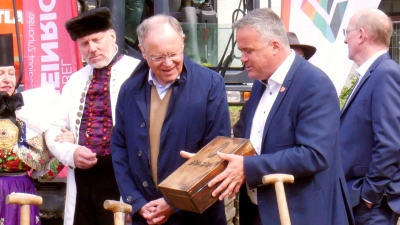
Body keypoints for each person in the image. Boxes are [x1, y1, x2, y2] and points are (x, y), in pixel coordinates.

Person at [207, 8, 353, 225]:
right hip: (260, 212)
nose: (243, 58)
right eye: (240, 51)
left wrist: (248, 168)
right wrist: (208, 160)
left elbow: (315, 154)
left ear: (275, 46)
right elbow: (243, 136)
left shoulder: (314, 84)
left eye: (248, 50)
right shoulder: (260, 83)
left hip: (300, 215)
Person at [111, 14, 231, 225]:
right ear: (143, 52)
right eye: (158, 57)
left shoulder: (210, 84)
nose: (168, 63)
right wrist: (136, 202)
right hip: (146, 215)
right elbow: (120, 148)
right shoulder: (129, 90)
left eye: (174, 54)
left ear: (183, 41)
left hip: (196, 216)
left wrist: (173, 203)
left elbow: (217, 152)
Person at [45, 7, 140, 225]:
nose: (93, 49)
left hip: (123, 176)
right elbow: (53, 127)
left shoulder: (137, 73)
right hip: (83, 178)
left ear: (112, 36)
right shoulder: (75, 80)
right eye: (85, 44)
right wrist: (71, 151)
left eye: (97, 40)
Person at [0, 34, 74, 225]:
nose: (7, 79)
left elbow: (47, 171)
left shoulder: (30, 111)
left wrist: (65, 147)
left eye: (10, 72)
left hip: (21, 188)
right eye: (0, 73)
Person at [340, 9, 400, 224]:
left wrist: (369, 194)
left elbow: (390, 143)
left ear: (361, 35)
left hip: (371, 206)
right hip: (360, 199)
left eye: (347, 32)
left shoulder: (385, 73)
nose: (345, 39)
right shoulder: (374, 73)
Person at [233, 31, 317, 138]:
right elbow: (241, 130)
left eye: (298, 57)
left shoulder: (312, 87)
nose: (294, 62)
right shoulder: (260, 84)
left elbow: (312, 151)